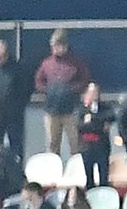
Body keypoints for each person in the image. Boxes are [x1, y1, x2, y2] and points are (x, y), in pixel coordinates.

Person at [34, 30, 92, 158]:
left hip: (71, 110)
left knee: (75, 143)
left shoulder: (76, 62)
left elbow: (85, 79)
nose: (55, 49)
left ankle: (76, 170)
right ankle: (54, 173)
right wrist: (47, 89)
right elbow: (38, 81)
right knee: (52, 144)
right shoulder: (47, 63)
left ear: (65, 46)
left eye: (58, 46)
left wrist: (71, 89)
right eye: (53, 46)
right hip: (51, 111)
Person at [75, 83, 113, 191]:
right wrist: (98, 124)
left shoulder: (105, 107)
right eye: (91, 92)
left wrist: (92, 119)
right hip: (87, 148)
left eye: (96, 92)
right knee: (89, 178)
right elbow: (80, 126)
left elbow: (111, 117)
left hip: (102, 147)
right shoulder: (81, 109)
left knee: (104, 177)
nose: (94, 94)